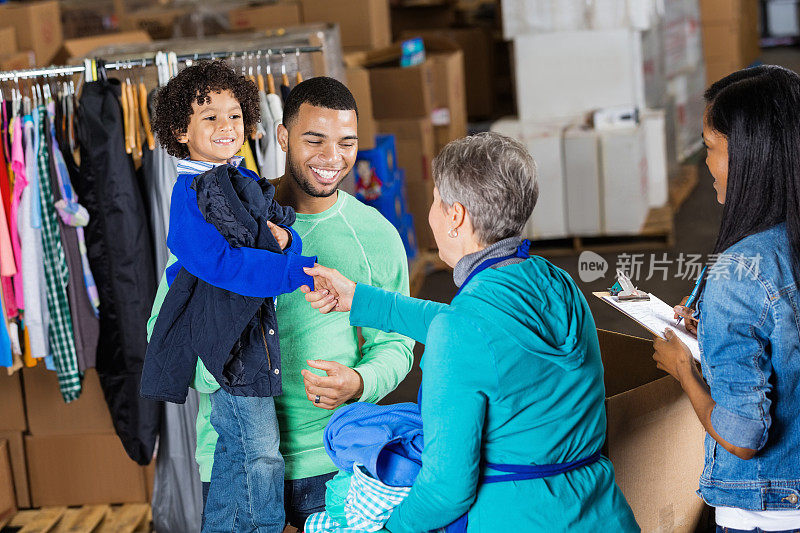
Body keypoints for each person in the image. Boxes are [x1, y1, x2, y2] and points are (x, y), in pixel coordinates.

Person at [302, 132, 639, 532]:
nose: (431, 213)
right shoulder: (557, 283)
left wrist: (393, 529)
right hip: (603, 513)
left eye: (434, 201)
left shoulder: (463, 330)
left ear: (456, 216)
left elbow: (447, 492)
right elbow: (482, 334)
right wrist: (360, 300)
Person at [147, 76, 414, 530]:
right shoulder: (222, 216)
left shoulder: (375, 235)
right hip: (234, 457)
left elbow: (397, 344)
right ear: (283, 137)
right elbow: (163, 325)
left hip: (333, 456)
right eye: (315, 140)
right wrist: (222, 365)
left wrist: (360, 381)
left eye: (346, 143)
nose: (332, 158)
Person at [144, 60, 317, 532]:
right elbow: (219, 264)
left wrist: (288, 245)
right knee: (260, 452)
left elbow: (280, 226)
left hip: (250, 334)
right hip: (229, 343)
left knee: (235, 452)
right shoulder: (188, 194)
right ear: (180, 130)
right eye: (210, 117)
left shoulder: (240, 179)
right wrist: (296, 271)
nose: (227, 126)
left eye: (235, 115)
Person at [654, 65, 800, 533]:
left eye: (711, 148)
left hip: (766, 511)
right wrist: (714, 330)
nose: (705, 165)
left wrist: (684, 369)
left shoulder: (740, 272)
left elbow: (743, 439)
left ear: (751, 157)